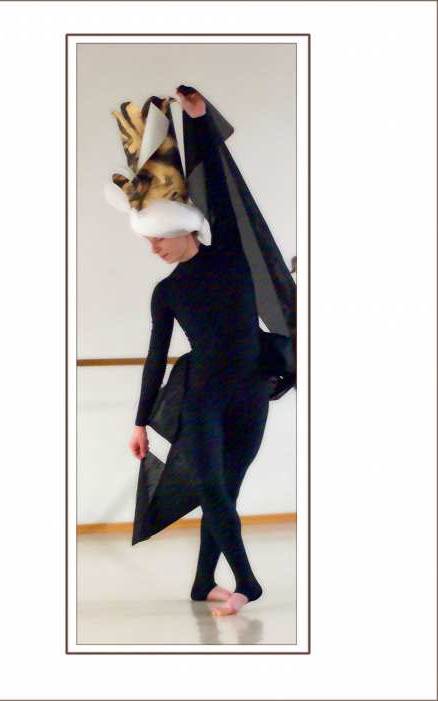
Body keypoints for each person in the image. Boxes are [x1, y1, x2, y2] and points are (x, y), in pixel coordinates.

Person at [127, 87, 273, 616]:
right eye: (148, 241)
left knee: (225, 491)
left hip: (252, 393)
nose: (154, 248)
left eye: (157, 238)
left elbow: (220, 183)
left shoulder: (229, 254)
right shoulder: (167, 291)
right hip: (204, 399)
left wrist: (199, 119)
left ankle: (202, 582)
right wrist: (141, 421)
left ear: (179, 224)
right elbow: (155, 357)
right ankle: (247, 582)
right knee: (213, 488)